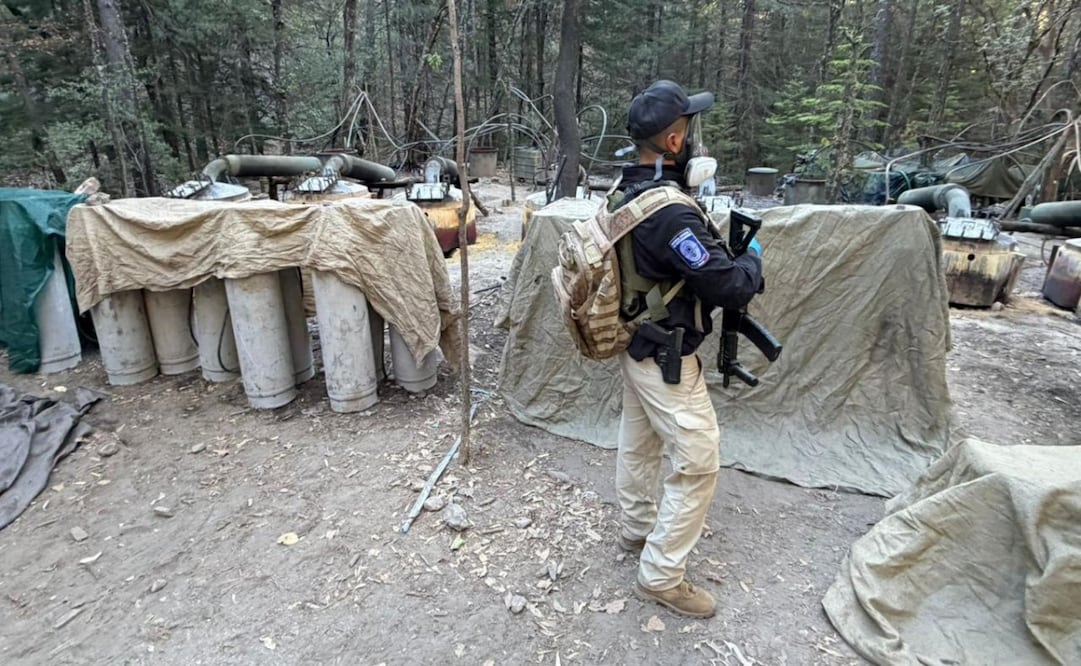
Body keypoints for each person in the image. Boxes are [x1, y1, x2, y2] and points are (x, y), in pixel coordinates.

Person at [615, 80, 764, 618]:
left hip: (636, 344)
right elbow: (727, 286)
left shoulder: (627, 191)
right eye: (690, 129)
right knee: (699, 462)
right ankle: (660, 576)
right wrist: (753, 261)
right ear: (675, 142)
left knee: (639, 443)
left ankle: (636, 529)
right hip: (667, 357)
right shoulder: (670, 214)